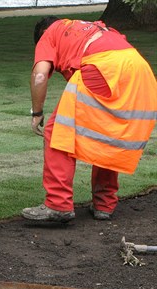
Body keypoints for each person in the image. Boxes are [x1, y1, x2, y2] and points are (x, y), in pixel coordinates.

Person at [22, 17, 157, 223]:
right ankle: (104, 204)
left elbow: (39, 76)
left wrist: (37, 113)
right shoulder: (89, 28)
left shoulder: (49, 33)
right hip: (140, 69)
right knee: (109, 134)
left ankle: (57, 204)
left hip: (102, 66)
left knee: (58, 132)